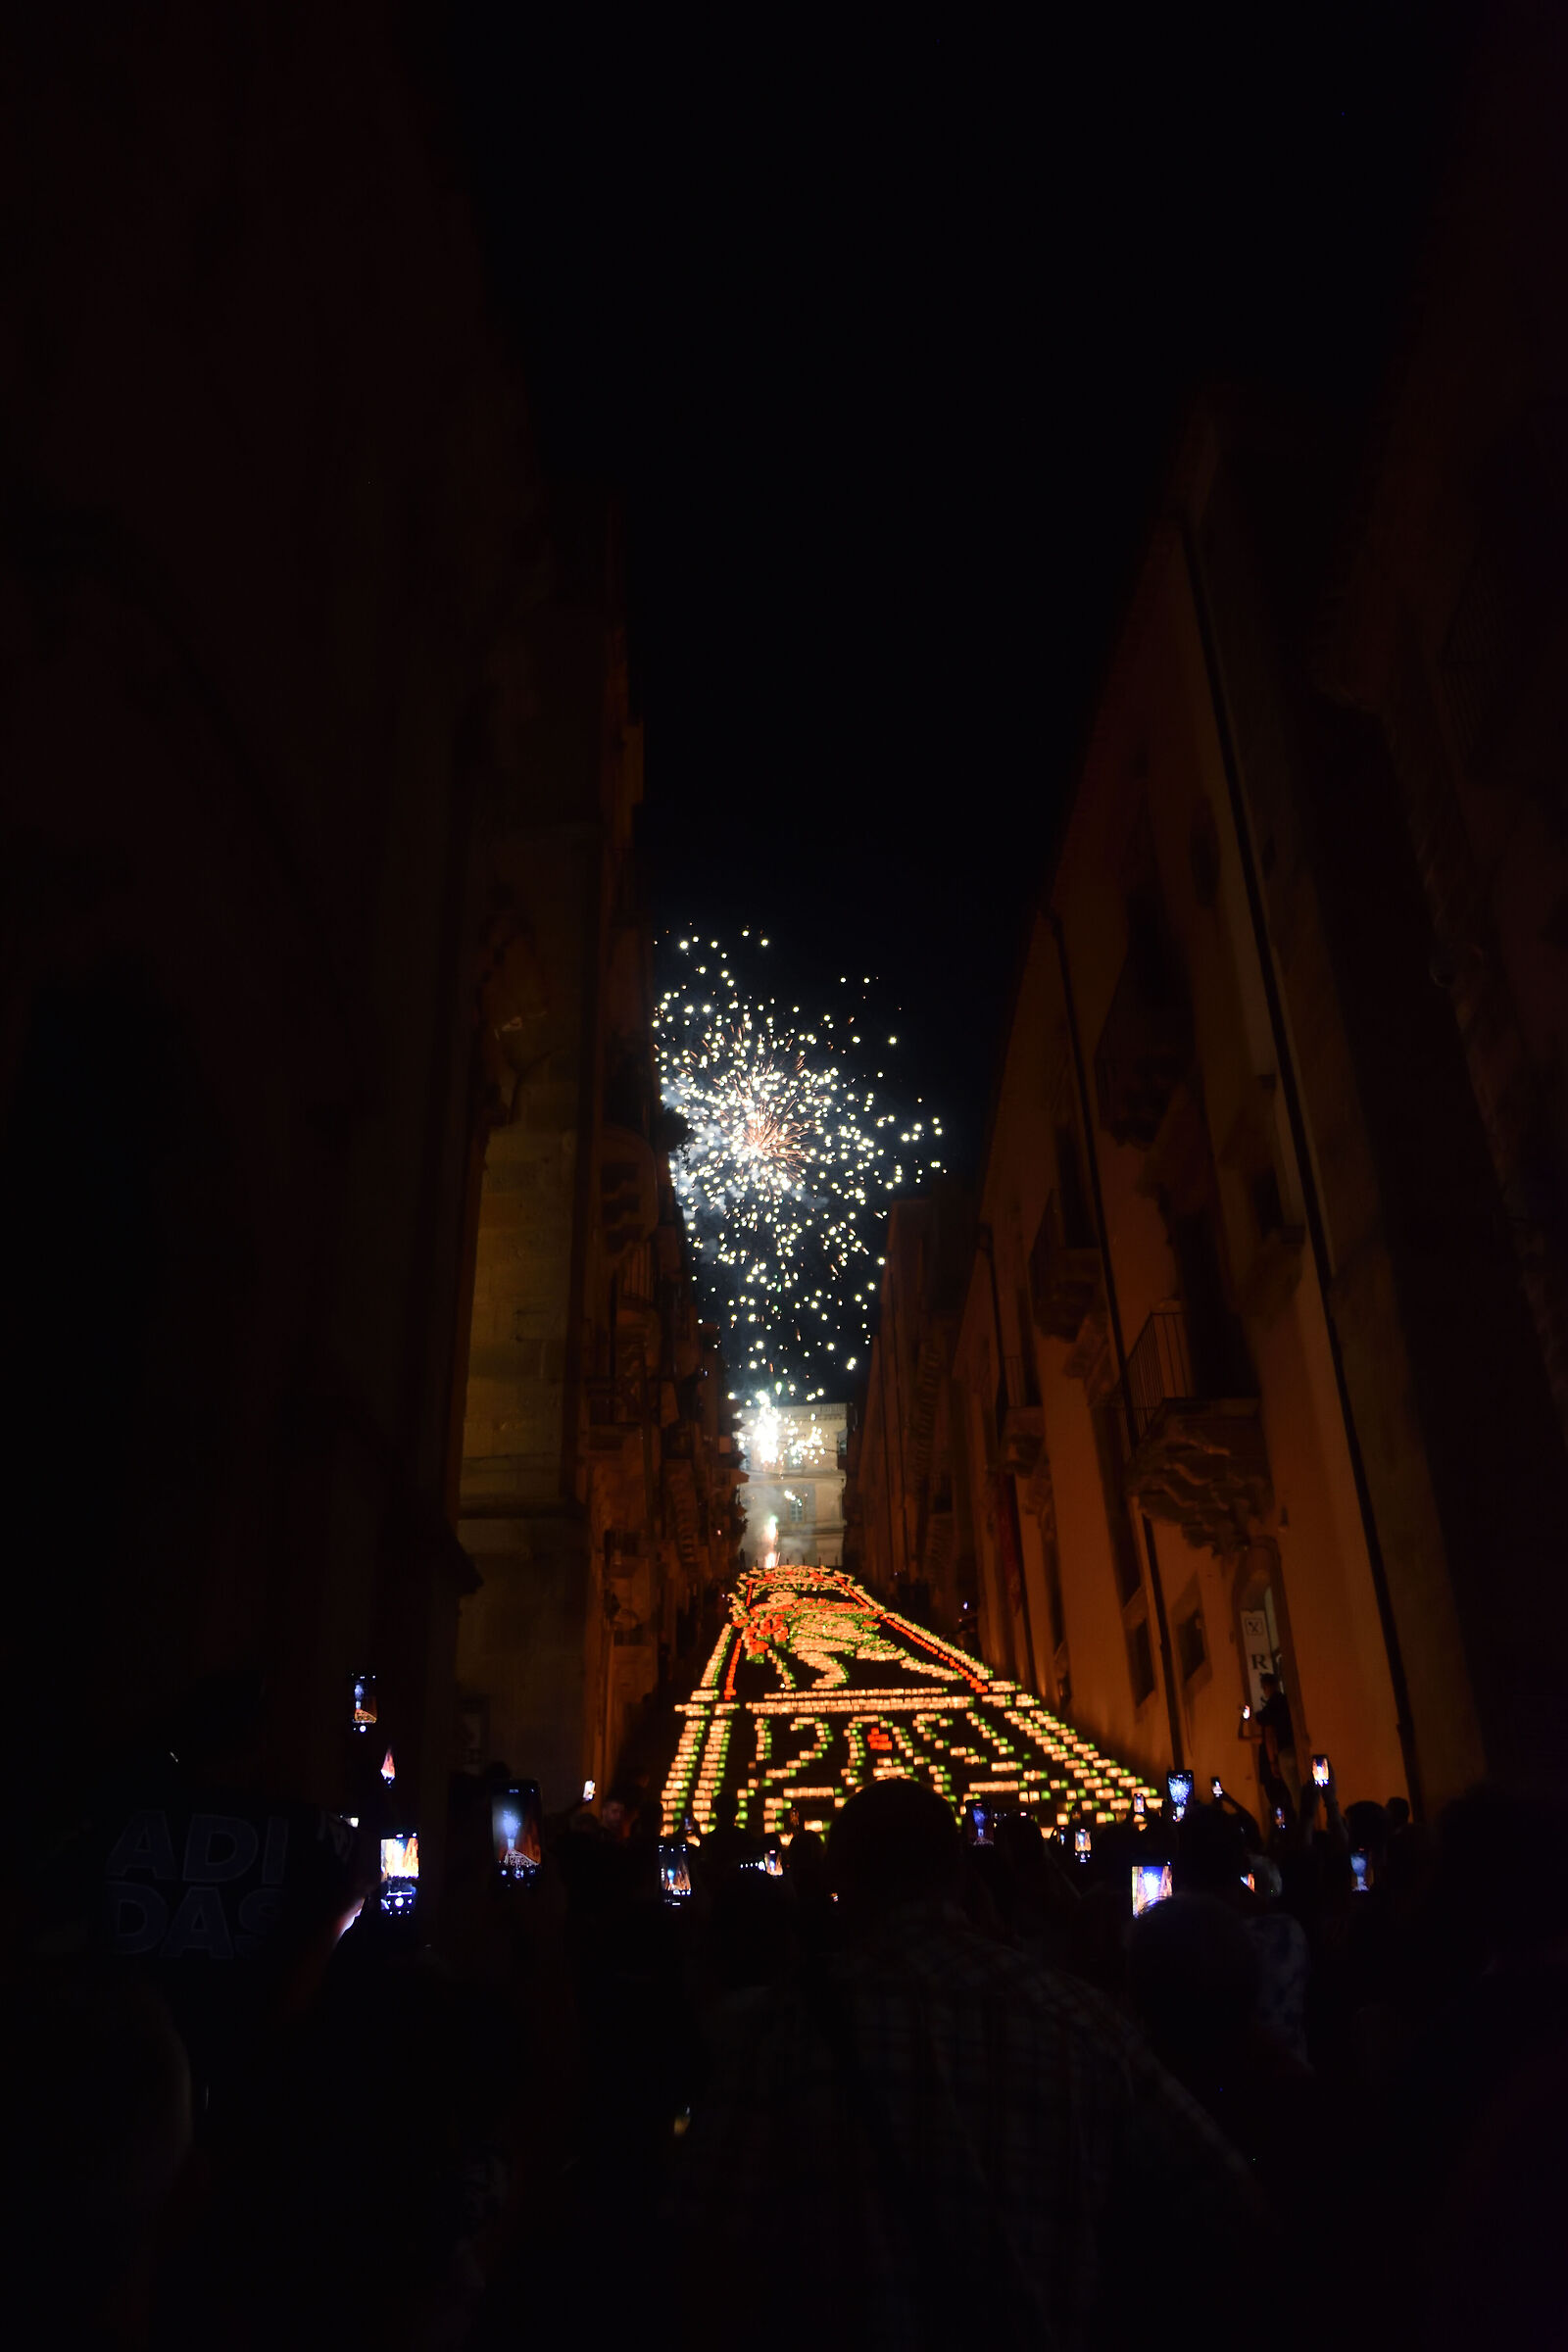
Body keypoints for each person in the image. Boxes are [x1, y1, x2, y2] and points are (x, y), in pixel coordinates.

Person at [666, 1778, 1263, 2349]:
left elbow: (706, 2255)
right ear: (959, 1874)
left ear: (836, 1883)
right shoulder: (1081, 2021)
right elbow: (1229, 2206)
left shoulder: (779, 2033)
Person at [1256, 1672, 1300, 1817]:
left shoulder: (1270, 1708)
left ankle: (1300, 1825)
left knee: (1292, 1793)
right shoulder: (1287, 1700)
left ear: (1265, 1687)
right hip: (1296, 1747)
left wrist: (1272, 1762)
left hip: (1283, 1751)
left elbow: (1269, 1735)